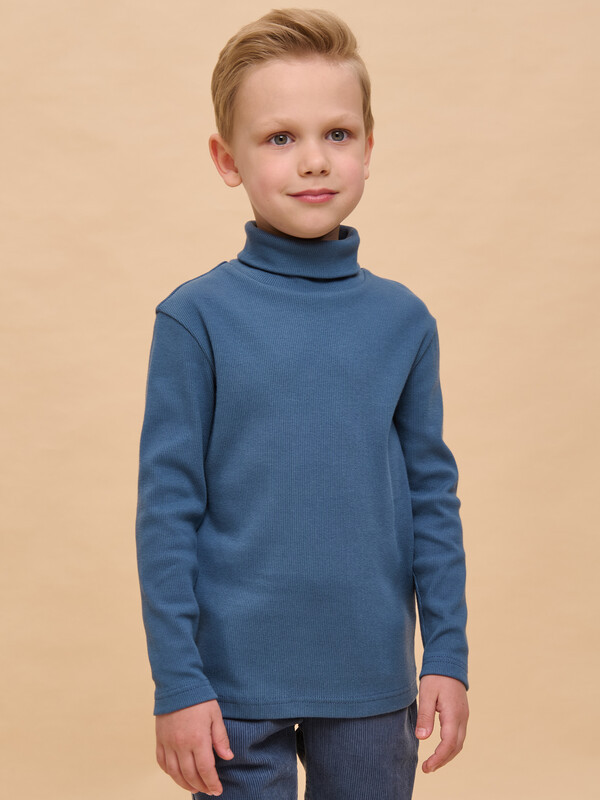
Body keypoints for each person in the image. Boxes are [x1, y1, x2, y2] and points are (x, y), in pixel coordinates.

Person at [135, 8, 469, 799]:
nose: (314, 160)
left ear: (369, 148)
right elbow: (167, 512)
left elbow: (432, 498)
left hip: (372, 677)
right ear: (228, 159)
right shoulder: (195, 318)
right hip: (230, 686)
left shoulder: (404, 321)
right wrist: (178, 682)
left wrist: (448, 655)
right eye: (280, 137)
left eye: (338, 134)